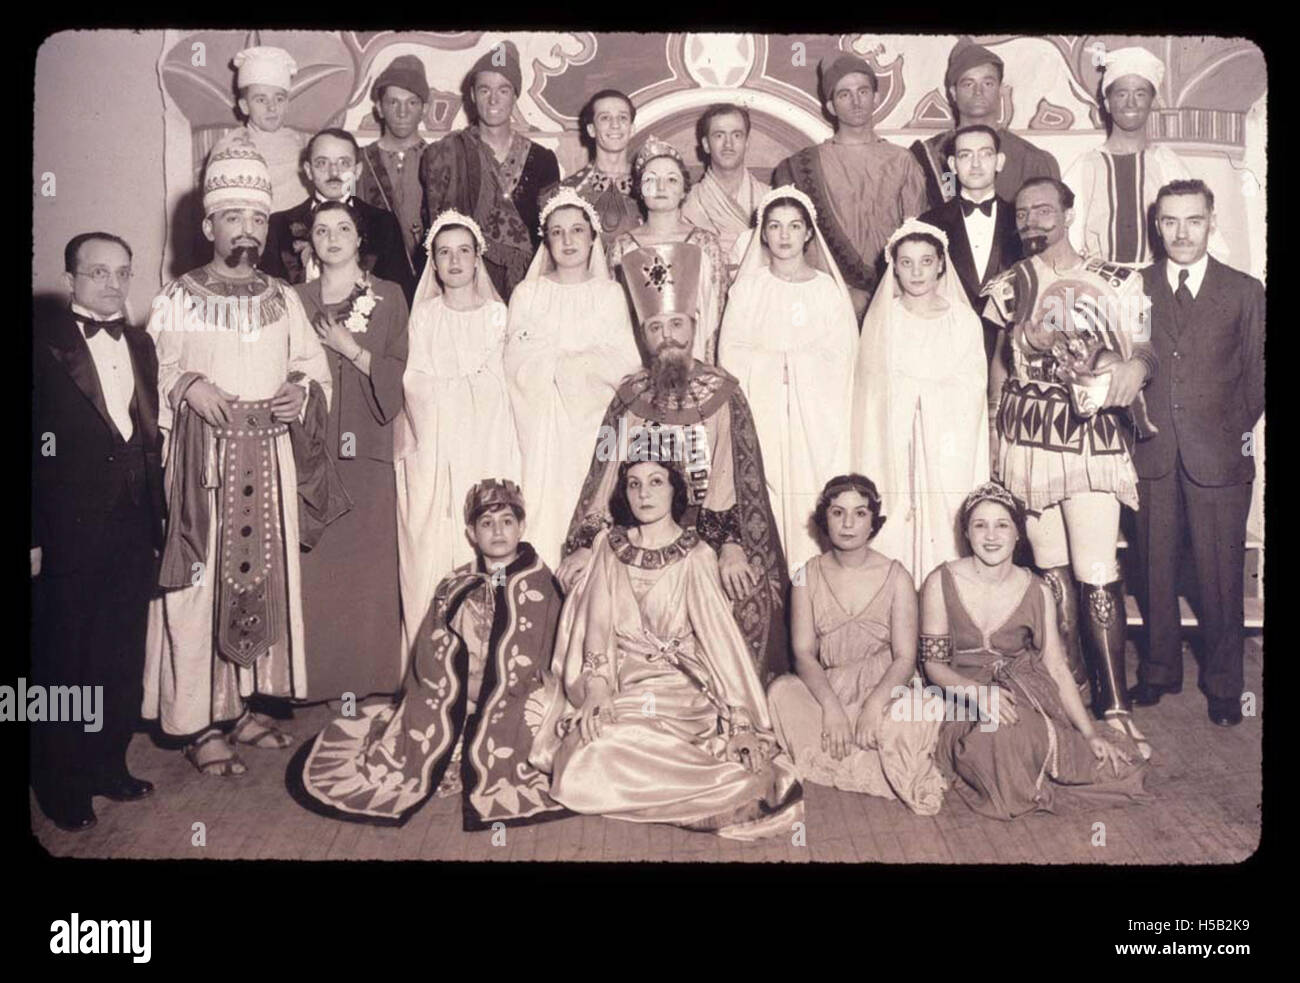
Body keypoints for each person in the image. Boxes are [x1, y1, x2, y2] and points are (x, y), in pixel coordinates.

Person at [144, 133, 332, 776]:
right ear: (207, 225)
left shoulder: (282, 297)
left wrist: (300, 392)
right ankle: (199, 723)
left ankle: (247, 705)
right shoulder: (178, 296)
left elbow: (311, 367)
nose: (247, 230)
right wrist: (188, 385)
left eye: (257, 217)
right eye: (233, 218)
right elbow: (154, 372)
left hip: (269, 460)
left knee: (262, 581)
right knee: (199, 589)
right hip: (204, 468)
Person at [529, 459, 804, 839]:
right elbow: (597, 626)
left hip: (683, 691)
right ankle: (712, 793)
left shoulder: (697, 555)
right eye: (634, 483)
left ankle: (732, 793)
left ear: (677, 491)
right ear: (623, 492)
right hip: (626, 686)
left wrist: (741, 722)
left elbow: (719, 642)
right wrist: (596, 688)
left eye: (656, 482)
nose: (644, 493)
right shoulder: (610, 548)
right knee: (578, 754)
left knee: (601, 753)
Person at [980, 176, 1157, 758]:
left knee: (1096, 572)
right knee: (1051, 573)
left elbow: (1142, 349)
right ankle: (1073, 694)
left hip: (1089, 438)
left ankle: (1116, 705)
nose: (1033, 220)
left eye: (1044, 209)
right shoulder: (1010, 286)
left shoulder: (1117, 278)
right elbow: (1001, 371)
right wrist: (993, 432)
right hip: (1026, 441)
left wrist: (1139, 370)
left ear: (1069, 211)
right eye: (1024, 212)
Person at [558, 241, 790, 683]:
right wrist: (588, 542)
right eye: (656, 326)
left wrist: (732, 546)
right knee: (586, 587)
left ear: (694, 326)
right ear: (643, 335)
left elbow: (733, 476)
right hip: (636, 536)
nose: (668, 336)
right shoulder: (627, 396)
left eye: (677, 324)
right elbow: (604, 476)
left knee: (745, 592)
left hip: (708, 536)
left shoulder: (724, 392)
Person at [298, 479, 568, 828]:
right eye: (486, 523)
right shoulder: (456, 582)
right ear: (471, 532)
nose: (498, 531)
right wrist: (460, 681)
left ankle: (473, 754)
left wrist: (497, 686)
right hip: (461, 689)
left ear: (522, 526)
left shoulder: (541, 583)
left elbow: (547, 652)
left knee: (538, 714)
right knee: (428, 711)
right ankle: (454, 752)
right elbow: (431, 648)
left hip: (520, 691)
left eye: (507, 521)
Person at [30, 232, 165, 831]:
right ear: (71, 279)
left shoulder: (140, 342)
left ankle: (108, 762)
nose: (112, 285)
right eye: (98, 273)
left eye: (122, 274)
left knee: (119, 649)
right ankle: (59, 782)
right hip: (68, 526)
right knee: (63, 655)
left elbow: (146, 432)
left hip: (134, 521)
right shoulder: (42, 344)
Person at [920, 482, 1147, 820]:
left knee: (1115, 765)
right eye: (980, 525)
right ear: (966, 533)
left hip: (1027, 692)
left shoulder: (1038, 590)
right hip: (960, 695)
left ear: (1017, 535)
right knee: (995, 739)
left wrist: (1088, 734)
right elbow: (933, 666)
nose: (991, 535)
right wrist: (980, 695)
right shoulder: (940, 581)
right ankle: (1024, 772)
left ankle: (1042, 761)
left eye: (1002, 525)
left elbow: (1056, 668)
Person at [1131, 180, 1265, 727]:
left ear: (1212, 222)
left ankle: (1225, 685)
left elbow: (1258, 373)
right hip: (1152, 452)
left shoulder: (1244, 290)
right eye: (1169, 221)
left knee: (1220, 577)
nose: (1181, 232)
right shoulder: (1134, 288)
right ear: (1156, 225)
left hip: (1220, 457)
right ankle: (1159, 671)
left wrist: (1230, 430)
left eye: (1192, 220)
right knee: (1154, 567)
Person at [767, 475, 947, 814]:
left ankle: (849, 759)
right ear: (825, 519)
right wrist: (832, 709)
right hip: (830, 688)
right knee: (781, 692)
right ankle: (873, 764)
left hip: (886, 688)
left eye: (860, 513)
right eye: (838, 513)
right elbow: (803, 654)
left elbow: (905, 658)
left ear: (873, 522)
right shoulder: (807, 574)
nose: (848, 523)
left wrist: (874, 706)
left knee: (915, 713)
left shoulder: (897, 576)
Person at [294, 200, 409, 702]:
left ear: (360, 239)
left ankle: (369, 677)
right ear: (310, 242)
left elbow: (403, 372)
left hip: (368, 446)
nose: (333, 237)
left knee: (367, 564)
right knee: (315, 564)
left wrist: (353, 349)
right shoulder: (292, 298)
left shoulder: (388, 297)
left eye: (344, 228)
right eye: (322, 230)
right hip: (309, 448)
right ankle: (309, 682)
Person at [395, 209, 521, 663]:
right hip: (437, 447)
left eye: (463, 251)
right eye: (443, 253)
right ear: (433, 260)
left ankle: (489, 659)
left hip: (487, 440)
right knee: (432, 540)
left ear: (477, 258)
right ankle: (430, 663)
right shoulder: (425, 317)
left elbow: (504, 379)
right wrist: (456, 388)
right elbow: (415, 380)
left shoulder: (497, 315)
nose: (454, 261)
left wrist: (468, 387)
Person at [718, 185, 858, 569]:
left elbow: (842, 355)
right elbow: (732, 353)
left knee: (812, 492)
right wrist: (779, 367)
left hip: (816, 420)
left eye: (794, 226)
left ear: (809, 233)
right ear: (762, 232)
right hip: (764, 415)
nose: (784, 236)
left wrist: (790, 367)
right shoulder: (748, 289)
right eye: (775, 226)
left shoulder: (827, 290)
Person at [504, 188, 641, 569]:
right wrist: (576, 362)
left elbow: (622, 363)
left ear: (593, 237)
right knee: (544, 510)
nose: (568, 240)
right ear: (545, 240)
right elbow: (516, 362)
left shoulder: (609, 294)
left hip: (595, 426)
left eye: (577, 231)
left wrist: (564, 365)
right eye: (557, 232)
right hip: (542, 428)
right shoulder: (528, 294)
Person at [852, 218, 990, 588]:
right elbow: (870, 387)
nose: (917, 272)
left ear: (941, 264)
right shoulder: (885, 319)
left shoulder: (962, 320)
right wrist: (904, 400)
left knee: (942, 526)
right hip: (896, 442)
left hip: (944, 445)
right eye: (907, 262)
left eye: (926, 261)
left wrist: (926, 397)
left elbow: (973, 384)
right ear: (893, 266)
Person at [771, 52, 928, 320]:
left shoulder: (903, 161)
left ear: (876, 97)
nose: (856, 102)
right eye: (844, 94)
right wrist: (839, 290)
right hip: (827, 298)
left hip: (894, 299)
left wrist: (891, 293)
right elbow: (800, 242)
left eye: (863, 91)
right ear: (831, 106)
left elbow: (916, 237)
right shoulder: (804, 165)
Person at [420, 41, 561, 301]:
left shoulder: (543, 160)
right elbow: (436, 230)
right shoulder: (445, 154)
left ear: (515, 95)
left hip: (527, 287)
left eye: (503, 90)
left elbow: (552, 235)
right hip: (462, 288)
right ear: (473, 95)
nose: (493, 99)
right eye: (484, 90)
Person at [1063, 46, 1226, 264]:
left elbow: (1202, 235)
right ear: (1108, 104)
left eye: (1140, 94)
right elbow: (1067, 239)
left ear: (1152, 102)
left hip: (1159, 287)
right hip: (1098, 288)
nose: (1131, 103)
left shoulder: (1167, 163)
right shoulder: (1084, 166)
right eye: (1121, 94)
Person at [261, 128, 416, 304]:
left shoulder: (382, 223)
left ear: (357, 170)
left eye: (344, 163)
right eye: (322, 163)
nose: (334, 172)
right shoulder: (278, 225)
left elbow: (399, 299)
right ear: (308, 170)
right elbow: (268, 301)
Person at [608, 136, 727, 363]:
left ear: (684, 190)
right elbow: (615, 317)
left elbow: (716, 314)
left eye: (671, 180)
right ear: (640, 190)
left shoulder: (705, 243)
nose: (661, 187)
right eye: (651, 180)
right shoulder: (622, 246)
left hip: (695, 359)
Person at [919, 124, 1024, 371]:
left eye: (985, 154)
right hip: (946, 354)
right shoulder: (927, 225)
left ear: (999, 161)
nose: (976, 164)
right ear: (953, 166)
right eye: (966, 155)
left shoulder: (1023, 222)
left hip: (1008, 356)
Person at [910, 40, 1060, 211]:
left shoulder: (1033, 161)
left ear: (1000, 89)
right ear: (953, 93)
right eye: (968, 84)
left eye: (987, 83)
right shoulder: (928, 157)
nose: (978, 91)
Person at [356, 55, 430, 278]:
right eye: (393, 102)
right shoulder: (357, 161)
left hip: (428, 280)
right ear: (379, 107)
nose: (402, 112)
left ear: (424, 108)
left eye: (412, 102)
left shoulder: (441, 160)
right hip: (374, 279)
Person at [540, 89, 641, 250]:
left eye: (622, 117)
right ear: (591, 130)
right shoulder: (566, 193)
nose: (615, 125)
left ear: (632, 128)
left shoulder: (650, 187)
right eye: (605, 118)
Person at [681, 102, 771, 275]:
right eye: (719, 135)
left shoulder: (768, 198)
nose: (728, 144)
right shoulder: (687, 202)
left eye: (737, 135)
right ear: (706, 144)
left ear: (747, 142)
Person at [226, 46, 306, 214]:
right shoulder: (230, 147)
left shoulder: (301, 144)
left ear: (287, 104)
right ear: (244, 106)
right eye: (261, 99)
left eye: (279, 99)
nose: (272, 107)